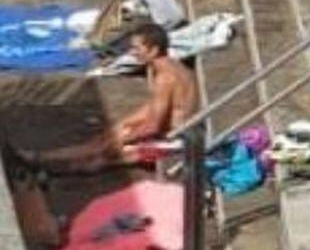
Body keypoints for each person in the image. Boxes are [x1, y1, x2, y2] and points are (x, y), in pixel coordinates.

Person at [22, 24, 196, 174]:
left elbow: (154, 125)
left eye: (137, 48)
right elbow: (156, 108)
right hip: (176, 132)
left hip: (173, 142)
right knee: (106, 138)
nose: (133, 53)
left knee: (98, 157)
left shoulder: (165, 78)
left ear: (154, 50)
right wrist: (123, 126)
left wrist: (122, 140)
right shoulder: (174, 66)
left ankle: (41, 161)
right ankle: (41, 157)